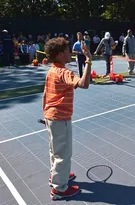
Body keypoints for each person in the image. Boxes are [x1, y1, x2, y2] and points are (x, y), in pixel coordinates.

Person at [42, 37, 92, 200]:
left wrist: (45, 115)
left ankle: (56, 175)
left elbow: (45, 95)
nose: (70, 52)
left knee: (54, 150)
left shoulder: (51, 70)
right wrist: (89, 61)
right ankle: (59, 189)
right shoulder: (64, 72)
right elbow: (84, 84)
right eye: (68, 50)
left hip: (50, 116)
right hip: (60, 118)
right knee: (63, 154)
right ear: (60, 54)